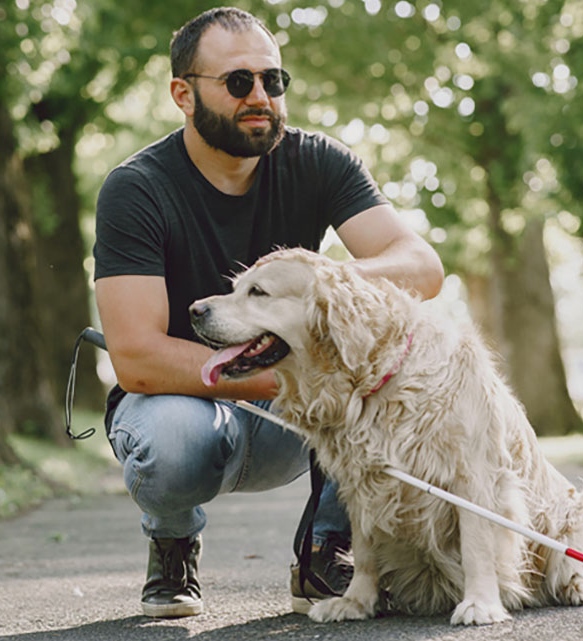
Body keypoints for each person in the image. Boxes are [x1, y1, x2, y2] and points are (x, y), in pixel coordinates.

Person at [92, 6, 443, 618]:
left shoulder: (318, 160)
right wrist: (301, 378)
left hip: (293, 412)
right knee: (173, 440)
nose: (261, 97)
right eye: (237, 82)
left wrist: (322, 284)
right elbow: (138, 360)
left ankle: (328, 550)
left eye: (272, 80)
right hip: (185, 405)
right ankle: (172, 541)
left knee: (385, 365)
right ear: (183, 93)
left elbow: (420, 267)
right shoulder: (136, 188)